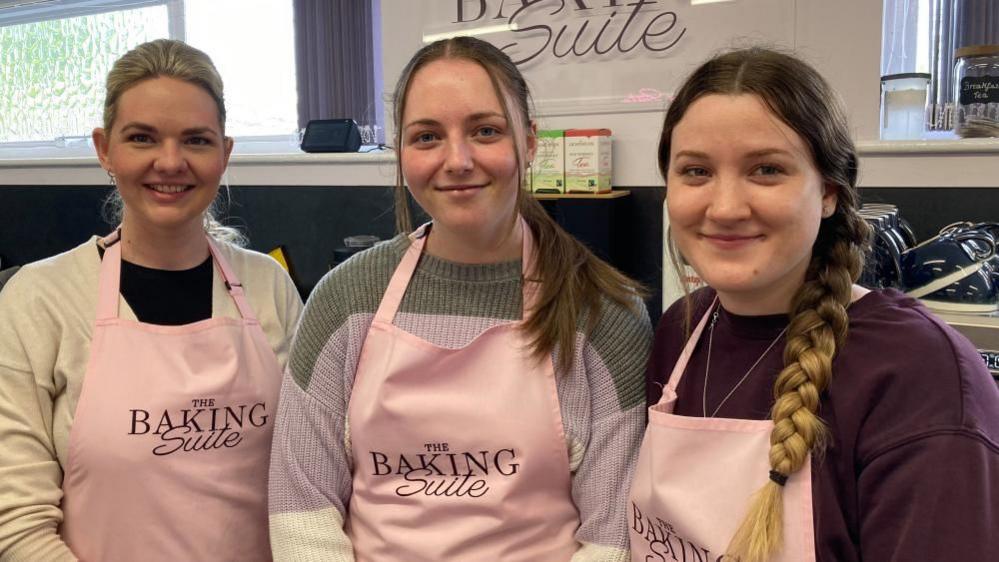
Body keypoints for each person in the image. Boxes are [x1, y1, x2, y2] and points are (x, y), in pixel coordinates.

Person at [268, 36, 652, 561]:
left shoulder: (606, 312)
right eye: (427, 136)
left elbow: (612, 537)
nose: (458, 159)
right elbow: (300, 507)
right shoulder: (346, 300)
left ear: (529, 142)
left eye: (486, 131)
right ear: (401, 153)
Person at [632, 47, 999, 562]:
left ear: (828, 191)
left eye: (766, 169)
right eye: (696, 172)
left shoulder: (919, 372)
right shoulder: (681, 330)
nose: (726, 207)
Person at [0, 39, 303, 561]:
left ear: (224, 154)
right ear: (104, 149)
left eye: (196, 140)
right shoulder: (39, 299)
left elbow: (309, 477)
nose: (171, 162)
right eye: (142, 138)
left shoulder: (269, 286)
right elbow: (17, 524)